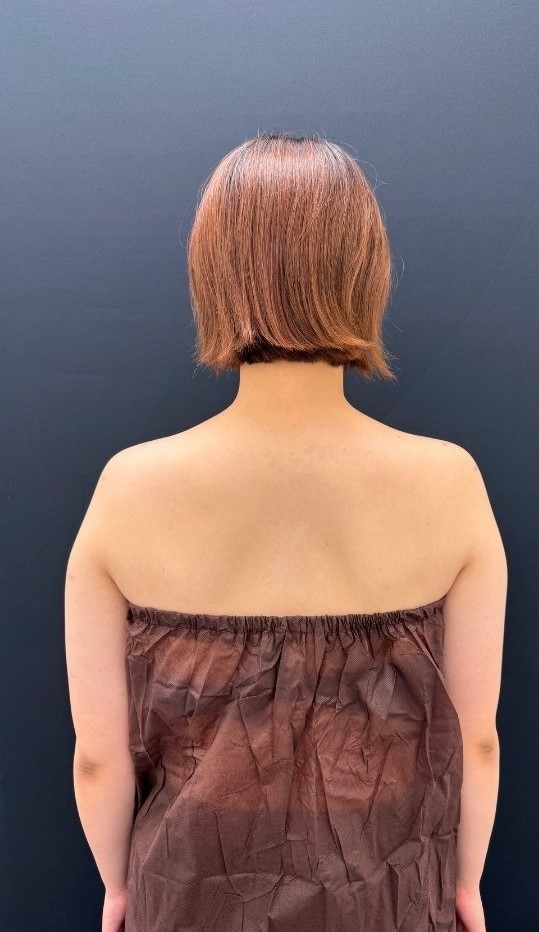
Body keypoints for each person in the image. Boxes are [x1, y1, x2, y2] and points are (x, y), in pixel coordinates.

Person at [65, 132, 506, 932]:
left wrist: (119, 887)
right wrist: (465, 883)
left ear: (213, 272)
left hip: (189, 894)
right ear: (364, 272)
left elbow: (98, 758)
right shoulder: (448, 481)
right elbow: (473, 741)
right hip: (388, 898)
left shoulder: (130, 486)